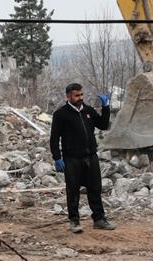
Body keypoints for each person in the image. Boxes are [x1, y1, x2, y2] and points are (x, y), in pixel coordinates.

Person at [49, 82, 115, 233]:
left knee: (95, 188)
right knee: (73, 190)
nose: (80, 97)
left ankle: (99, 219)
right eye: (76, 95)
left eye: (81, 94)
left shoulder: (88, 110)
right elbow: (54, 138)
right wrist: (57, 157)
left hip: (90, 156)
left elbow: (103, 125)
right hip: (72, 158)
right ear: (68, 96)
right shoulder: (61, 115)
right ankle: (74, 221)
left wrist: (106, 107)